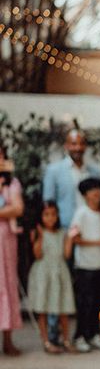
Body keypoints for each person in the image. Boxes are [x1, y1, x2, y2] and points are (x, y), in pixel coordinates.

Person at [70, 178, 100, 353]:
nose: (96, 193)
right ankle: (80, 335)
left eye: (98, 189)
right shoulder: (81, 213)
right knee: (85, 303)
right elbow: (77, 239)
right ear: (85, 194)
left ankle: (95, 333)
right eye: (92, 190)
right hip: (85, 265)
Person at [27, 202, 76, 353]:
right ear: (41, 216)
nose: (50, 218)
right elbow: (37, 254)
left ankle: (66, 340)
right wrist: (40, 237)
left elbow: (67, 254)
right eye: (46, 214)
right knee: (43, 308)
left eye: (53, 214)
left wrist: (70, 239)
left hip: (59, 271)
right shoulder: (37, 232)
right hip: (43, 273)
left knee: (63, 307)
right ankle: (46, 342)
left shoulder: (62, 233)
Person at [42, 129, 100, 231]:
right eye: (74, 144)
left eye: (81, 144)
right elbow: (48, 201)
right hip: (65, 228)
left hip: (90, 229)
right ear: (66, 146)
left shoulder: (95, 172)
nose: (78, 148)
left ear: (85, 146)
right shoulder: (54, 171)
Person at [0, 143, 23, 356]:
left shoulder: (11, 182)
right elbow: (11, 208)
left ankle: (7, 339)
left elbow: (18, 207)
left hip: (5, 240)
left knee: (6, 283)